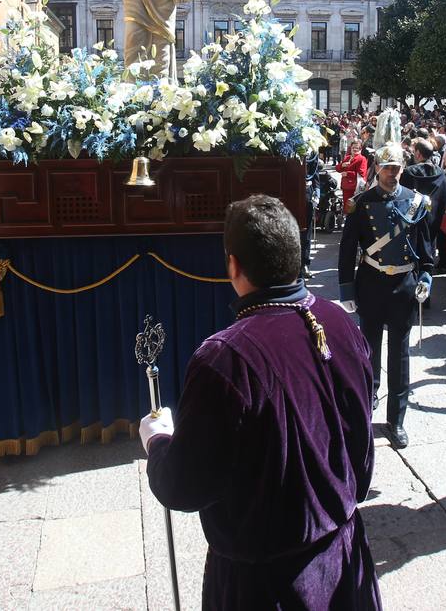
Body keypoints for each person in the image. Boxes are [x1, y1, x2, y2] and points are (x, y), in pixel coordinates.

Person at [140, 195, 381, 608]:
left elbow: (185, 486)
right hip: (342, 558)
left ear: (233, 265)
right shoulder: (341, 321)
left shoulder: (224, 358)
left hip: (267, 586)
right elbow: (361, 450)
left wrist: (158, 441)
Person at [338, 143, 434, 449]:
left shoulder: (417, 201)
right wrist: (346, 288)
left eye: (397, 168)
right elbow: (348, 248)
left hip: (403, 284)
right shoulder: (361, 203)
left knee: (400, 354)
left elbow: (426, 246)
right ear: (377, 168)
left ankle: (397, 420)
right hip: (371, 282)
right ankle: (367, 403)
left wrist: (427, 277)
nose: (393, 173)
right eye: (388, 167)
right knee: (369, 350)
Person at [400, 137, 446, 272]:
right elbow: (444, 198)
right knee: (428, 250)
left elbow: (401, 198)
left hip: (413, 219)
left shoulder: (408, 172)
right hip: (433, 218)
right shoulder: (441, 174)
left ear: (418, 153)